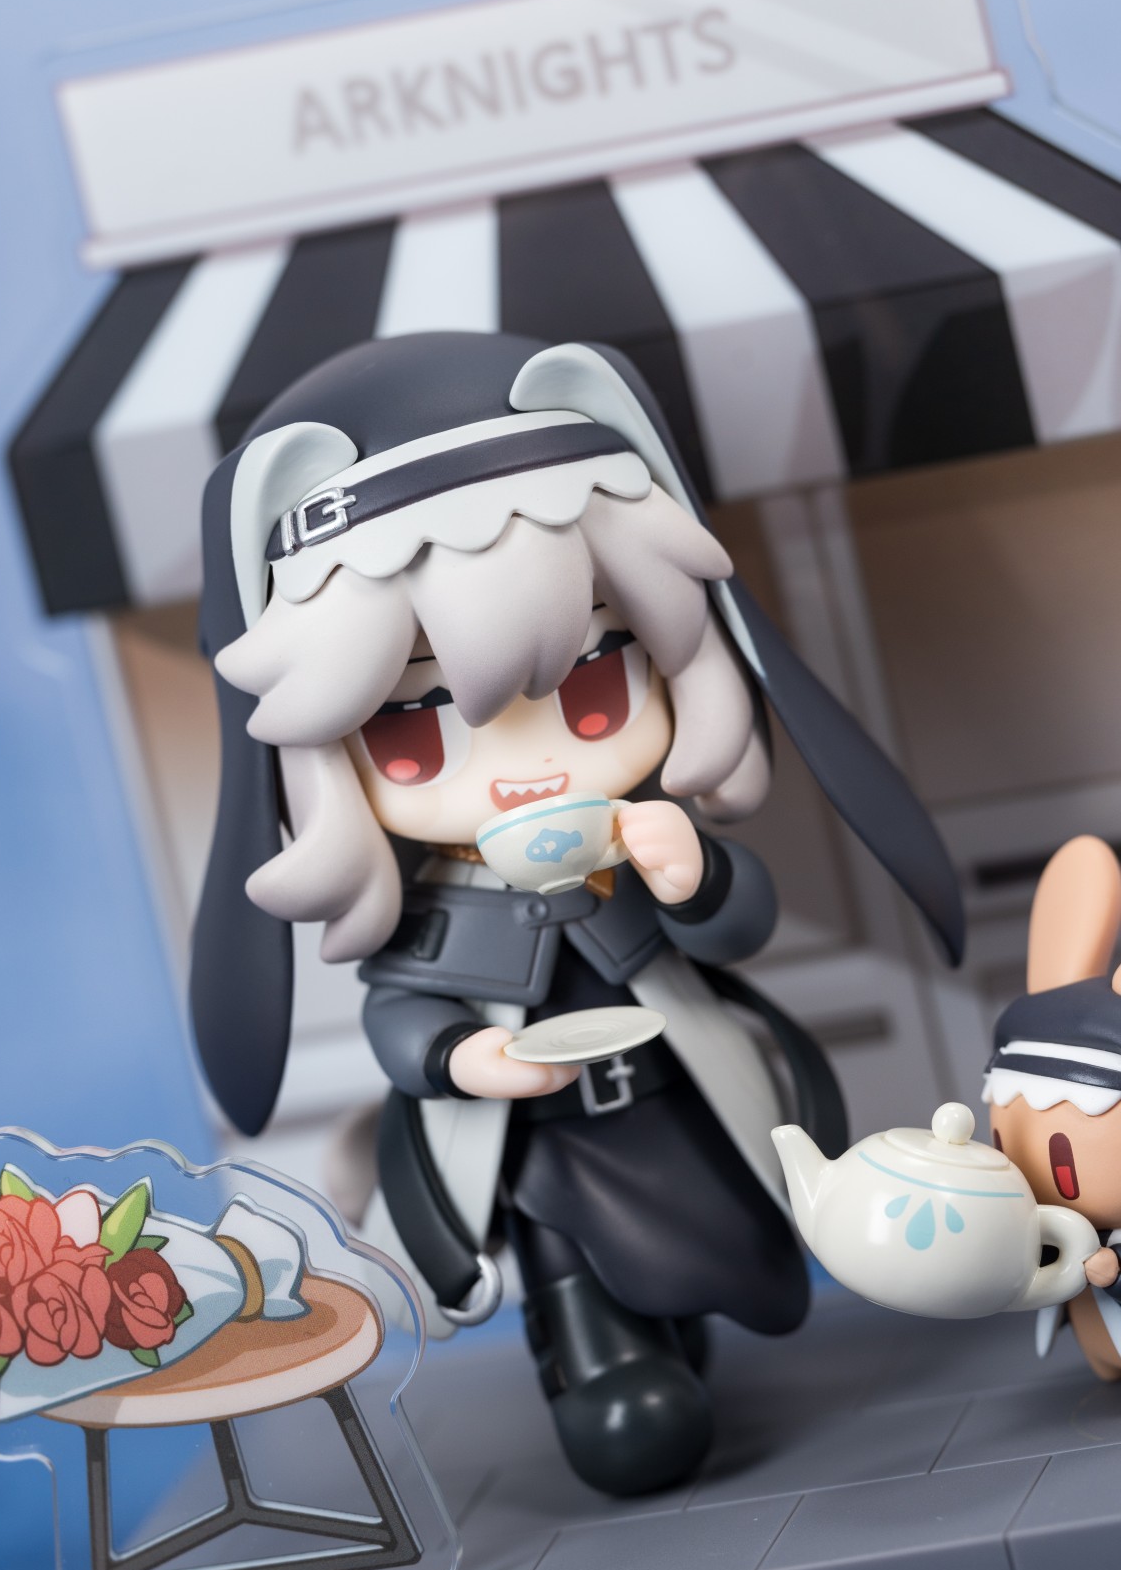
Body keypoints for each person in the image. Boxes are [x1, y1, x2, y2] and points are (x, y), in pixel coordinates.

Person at [191, 331, 963, 1494]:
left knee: (730, 1240)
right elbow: (401, 1011)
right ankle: (590, 1352)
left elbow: (737, 930)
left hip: (675, 1107)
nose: (526, 771)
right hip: (543, 1148)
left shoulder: (634, 845)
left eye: (594, 686)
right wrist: (462, 1057)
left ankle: (673, 1321)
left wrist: (692, 875)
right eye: (413, 728)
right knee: (601, 1343)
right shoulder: (440, 904)